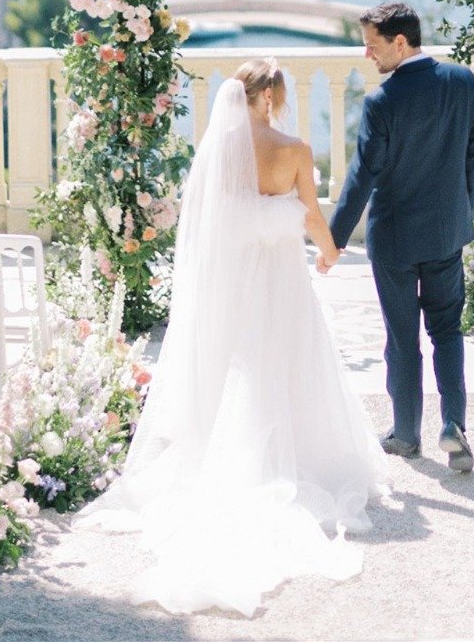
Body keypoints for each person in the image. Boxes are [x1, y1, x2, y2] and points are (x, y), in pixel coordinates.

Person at [75, 58, 389, 617]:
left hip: (231, 287)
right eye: (282, 93)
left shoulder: (218, 152)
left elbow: (209, 225)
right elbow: (313, 216)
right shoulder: (292, 151)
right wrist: (331, 251)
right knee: (290, 364)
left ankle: (221, 454)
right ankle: (290, 460)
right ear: (269, 97)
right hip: (282, 285)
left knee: (235, 365)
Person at [327, 2, 474, 471]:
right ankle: (453, 423)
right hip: (446, 232)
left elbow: (363, 175)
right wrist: (461, 211)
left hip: (395, 240)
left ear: (401, 42)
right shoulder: (461, 82)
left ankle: (406, 434)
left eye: (373, 45)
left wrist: (334, 238)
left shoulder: (383, 102)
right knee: (447, 330)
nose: (367, 55)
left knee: (402, 340)